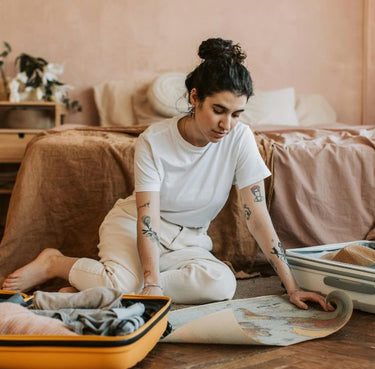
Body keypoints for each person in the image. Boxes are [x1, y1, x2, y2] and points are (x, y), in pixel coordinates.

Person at [1, 38, 333, 311]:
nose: (227, 124)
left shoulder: (240, 137)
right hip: (136, 226)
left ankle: (98, 288)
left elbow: (257, 217)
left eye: (236, 113)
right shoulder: (154, 141)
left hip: (189, 240)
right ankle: (55, 263)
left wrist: (292, 287)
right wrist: (152, 283)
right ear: (194, 98)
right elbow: (148, 221)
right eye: (218, 110)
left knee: (222, 284)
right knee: (136, 282)